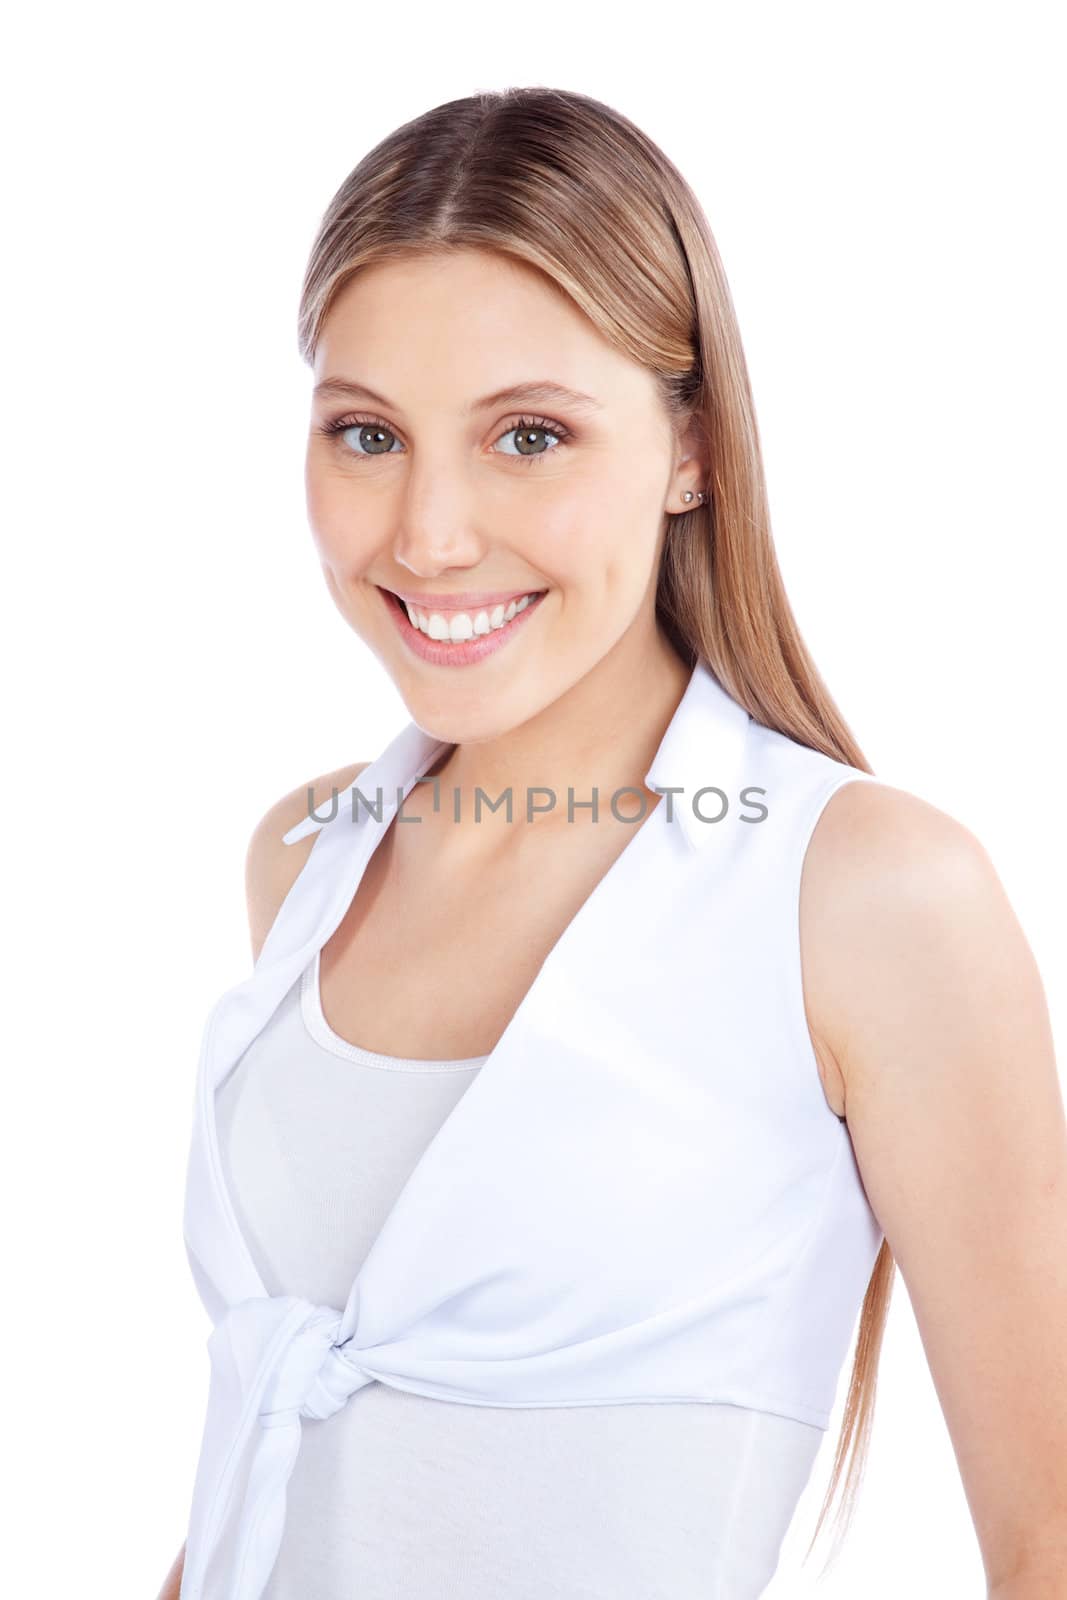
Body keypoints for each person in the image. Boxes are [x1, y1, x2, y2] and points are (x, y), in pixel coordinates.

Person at [159, 87, 1066, 1600]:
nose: (431, 534)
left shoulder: (861, 897)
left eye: (529, 435)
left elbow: (1050, 1537)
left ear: (692, 449)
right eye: (367, 434)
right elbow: (274, 1462)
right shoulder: (308, 861)